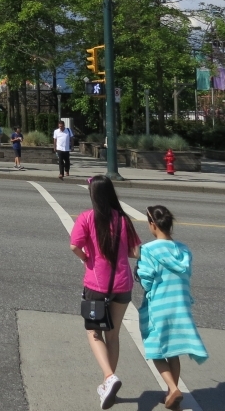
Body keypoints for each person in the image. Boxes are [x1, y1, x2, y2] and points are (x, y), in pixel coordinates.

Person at [70, 175, 141, 410]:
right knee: (113, 335)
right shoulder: (123, 219)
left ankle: (109, 377)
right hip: (123, 285)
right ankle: (107, 383)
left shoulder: (87, 217)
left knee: (93, 332)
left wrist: (86, 258)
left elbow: (74, 246)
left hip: (96, 286)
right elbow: (135, 252)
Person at [137, 205, 208, 410]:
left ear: (153, 224)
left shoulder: (148, 250)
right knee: (172, 351)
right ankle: (171, 393)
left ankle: (173, 389)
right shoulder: (184, 250)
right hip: (180, 304)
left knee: (155, 350)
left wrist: (138, 273)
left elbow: (146, 280)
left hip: (159, 305)